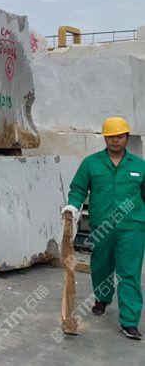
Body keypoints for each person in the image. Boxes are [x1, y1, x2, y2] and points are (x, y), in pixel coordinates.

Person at [63, 116, 145, 340]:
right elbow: (78, 189)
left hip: (133, 226)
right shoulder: (91, 163)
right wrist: (73, 206)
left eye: (119, 136)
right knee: (101, 265)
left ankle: (129, 322)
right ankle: (102, 298)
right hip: (102, 225)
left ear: (127, 137)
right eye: (111, 137)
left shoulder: (140, 166)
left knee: (129, 273)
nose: (115, 140)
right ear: (105, 138)